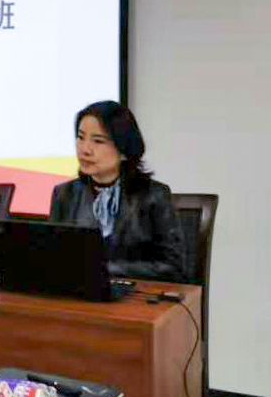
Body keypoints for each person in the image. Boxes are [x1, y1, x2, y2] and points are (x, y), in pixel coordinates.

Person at [49, 100, 184, 282]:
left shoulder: (154, 195)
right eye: (80, 137)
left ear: (123, 150)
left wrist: (107, 269)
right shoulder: (65, 194)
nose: (85, 149)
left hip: (135, 295)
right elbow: (54, 256)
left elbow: (173, 267)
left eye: (98, 141)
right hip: (79, 292)